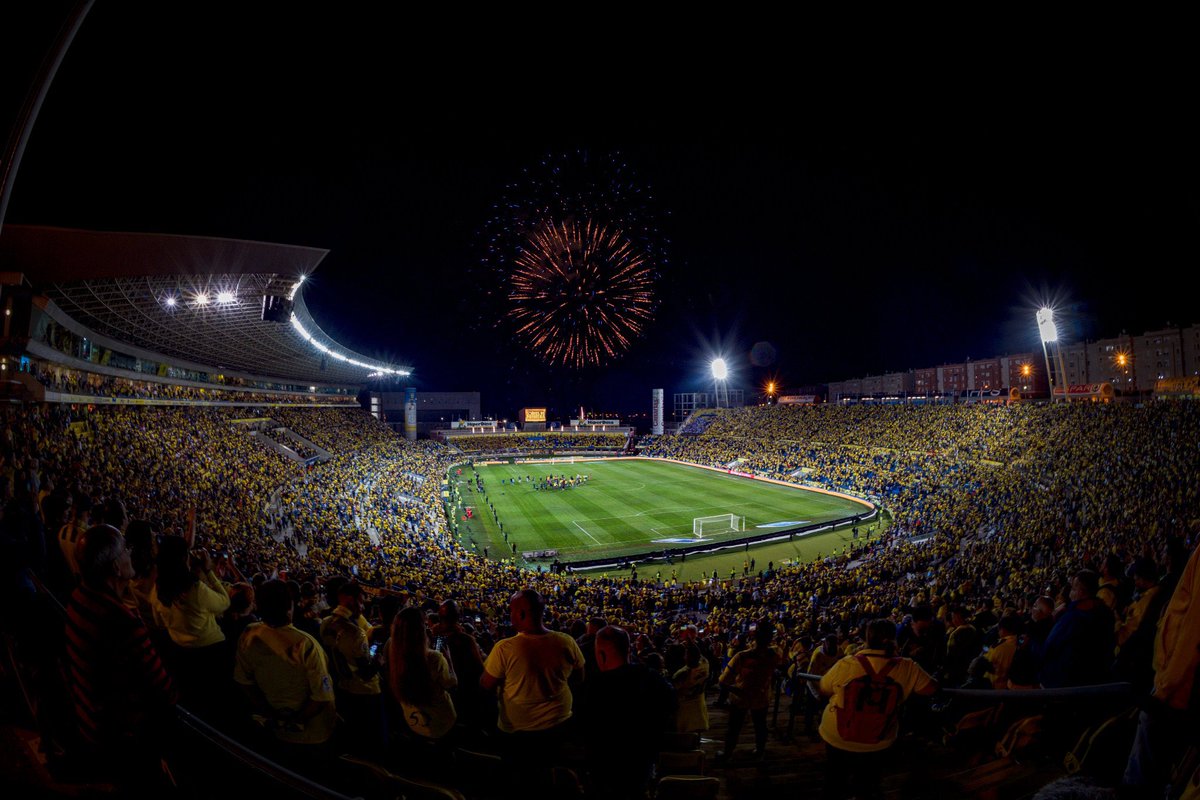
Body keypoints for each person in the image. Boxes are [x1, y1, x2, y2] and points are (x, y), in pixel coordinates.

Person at [64, 524, 177, 788]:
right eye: (125, 549)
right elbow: (164, 690)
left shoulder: (79, 597)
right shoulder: (122, 623)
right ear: (116, 567)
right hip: (122, 739)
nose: (130, 553)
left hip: (91, 724)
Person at [819, 618, 937, 800]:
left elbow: (824, 688)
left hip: (838, 734)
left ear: (866, 638)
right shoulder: (907, 666)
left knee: (835, 779)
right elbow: (931, 688)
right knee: (867, 782)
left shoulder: (847, 663)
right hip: (878, 737)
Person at [480, 589, 585, 771]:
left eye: (511, 610)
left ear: (521, 613)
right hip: (561, 721)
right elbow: (579, 677)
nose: (509, 614)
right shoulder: (566, 641)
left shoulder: (504, 648)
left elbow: (485, 684)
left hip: (520, 732)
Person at [234, 580, 336, 761]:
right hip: (312, 734)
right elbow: (322, 696)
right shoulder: (305, 644)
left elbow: (244, 681)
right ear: (290, 607)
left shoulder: (249, 634)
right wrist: (294, 720)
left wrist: (270, 713)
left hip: (274, 728)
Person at [581, 625, 676, 799]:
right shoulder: (651, 678)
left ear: (601, 655)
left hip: (604, 769)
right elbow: (671, 707)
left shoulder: (595, 687)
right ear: (629, 649)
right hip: (641, 764)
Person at [321, 580, 384, 756]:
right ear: (350, 600)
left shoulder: (325, 622)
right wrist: (379, 661)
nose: (363, 606)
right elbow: (366, 672)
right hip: (365, 692)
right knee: (370, 739)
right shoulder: (355, 632)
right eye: (361, 601)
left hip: (342, 686)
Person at [387, 606, 457, 741]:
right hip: (441, 723)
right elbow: (451, 684)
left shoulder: (392, 649)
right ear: (420, 630)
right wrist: (448, 659)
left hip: (412, 721)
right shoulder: (434, 658)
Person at [718, 620, 782, 762]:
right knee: (760, 726)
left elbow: (723, 681)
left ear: (753, 637)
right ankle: (760, 751)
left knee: (734, 727)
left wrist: (736, 689)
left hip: (741, 697)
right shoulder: (776, 654)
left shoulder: (742, 656)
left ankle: (727, 754)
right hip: (762, 697)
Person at [672, 643, 710, 733]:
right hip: (699, 706)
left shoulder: (682, 674)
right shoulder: (704, 667)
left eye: (686, 654)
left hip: (685, 710)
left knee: (686, 737)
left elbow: (674, 689)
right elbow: (702, 658)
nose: (684, 656)